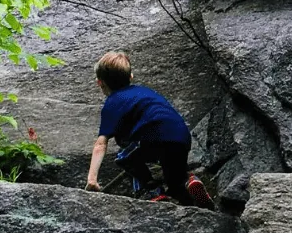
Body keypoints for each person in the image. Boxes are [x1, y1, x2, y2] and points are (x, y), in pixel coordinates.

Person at [85, 50, 210, 206]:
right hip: (180, 135)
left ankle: (152, 191)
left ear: (100, 83)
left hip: (152, 138)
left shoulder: (112, 103)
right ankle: (190, 182)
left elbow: (100, 144)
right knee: (175, 181)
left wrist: (92, 179)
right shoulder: (145, 92)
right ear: (131, 77)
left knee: (125, 157)